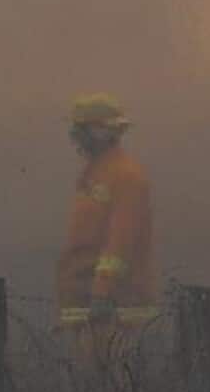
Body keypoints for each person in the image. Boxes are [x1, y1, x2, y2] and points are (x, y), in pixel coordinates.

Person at [55, 93, 158, 373]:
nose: (75, 136)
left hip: (114, 310)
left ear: (103, 132)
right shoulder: (95, 174)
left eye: (82, 128)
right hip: (88, 306)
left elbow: (119, 245)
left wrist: (101, 293)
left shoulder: (126, 176)